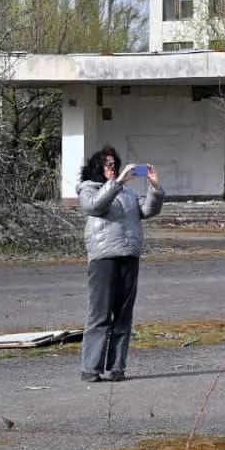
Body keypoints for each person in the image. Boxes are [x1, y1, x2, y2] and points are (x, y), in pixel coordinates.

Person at [76, 145, 164, 382]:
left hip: (129, 255)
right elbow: (94, 206)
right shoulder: (88, 188)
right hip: (104, 258)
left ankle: (117, 367)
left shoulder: (126, 193)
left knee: (123, 316)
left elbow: (147, 210)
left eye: (114, 163)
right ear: (97, 166)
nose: (112, 167)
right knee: (100, 315)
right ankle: (91, 369)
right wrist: (117, 183)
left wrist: (155, 187)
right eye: (107, 163)